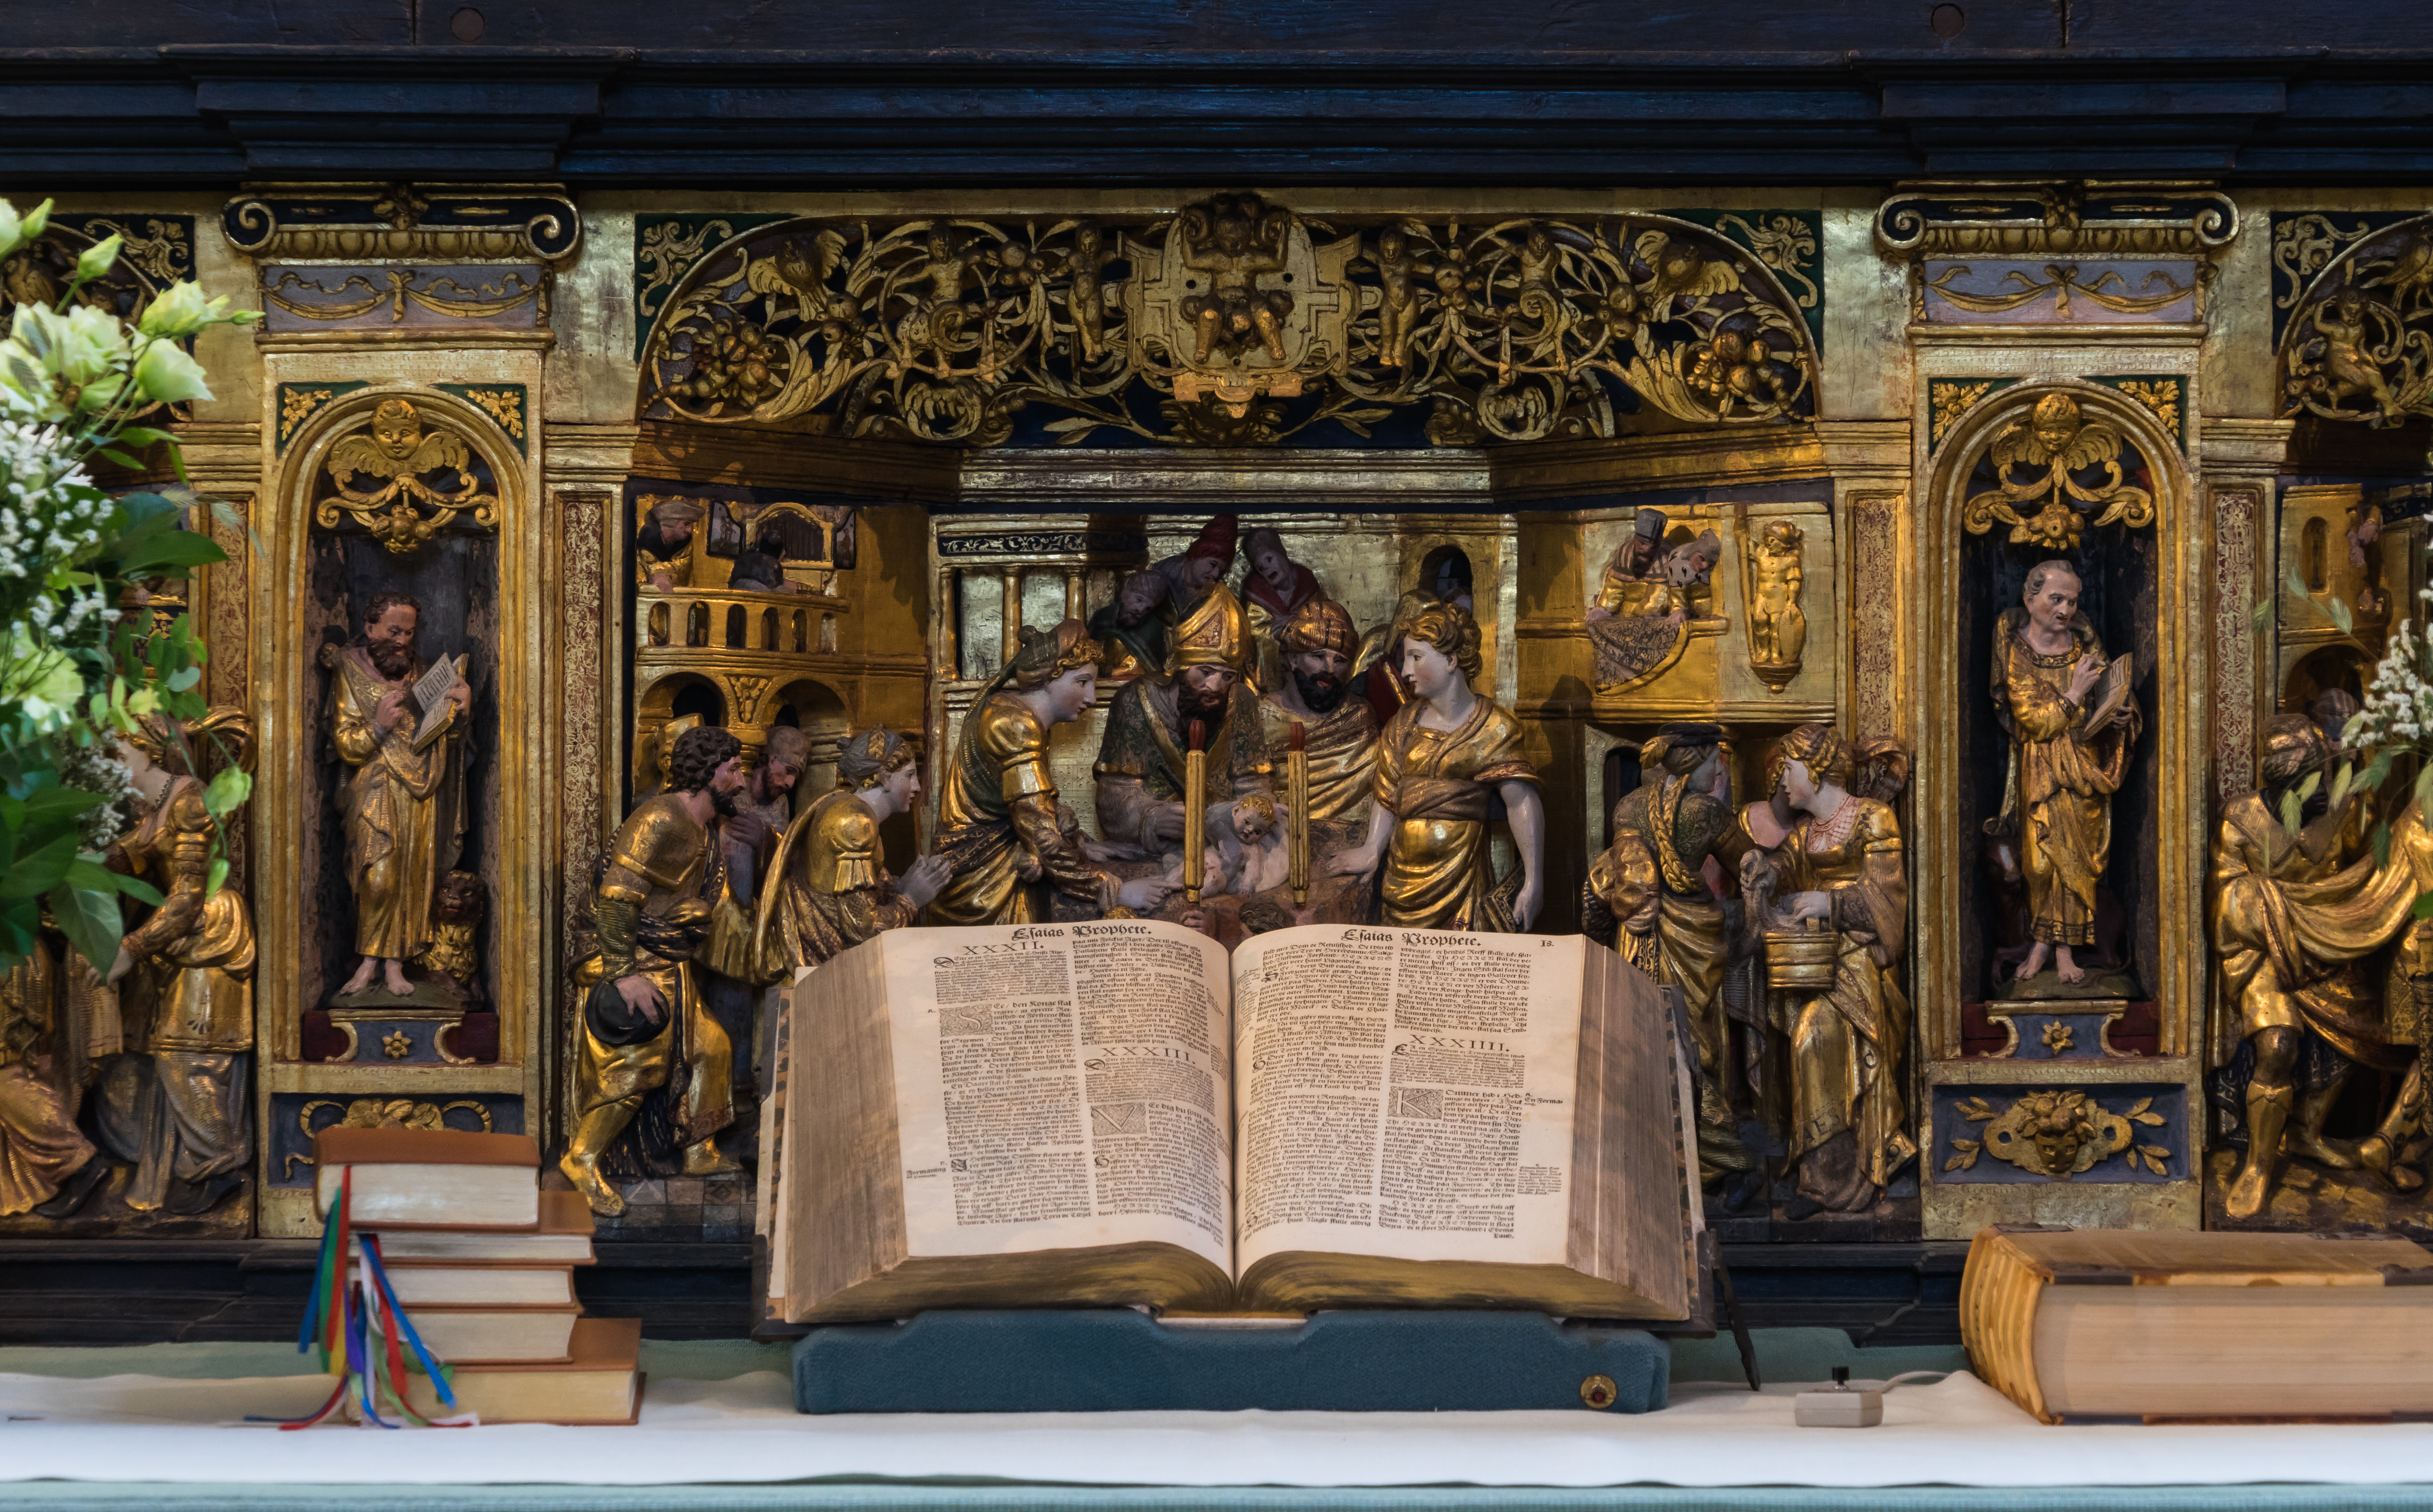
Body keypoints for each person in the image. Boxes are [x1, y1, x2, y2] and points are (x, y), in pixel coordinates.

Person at [2210, 714, 2424, 1219]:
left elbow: (2365, 872)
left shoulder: (2345, 808)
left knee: (2370, 1026)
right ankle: (2258, 1167)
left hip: (2332, 946)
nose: (2322, 792)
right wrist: (2287, 916)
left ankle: (2307, 1135)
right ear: (2282, 786)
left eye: (2325, 777)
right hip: (2267, 950)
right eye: (2310, 785)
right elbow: (2224, 900)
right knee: (2277, 1045)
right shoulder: (2240, 820)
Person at [562, 725, 753, 1215]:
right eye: (732, 770)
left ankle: (696, 1150)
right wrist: (624, 974)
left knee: (711, 1047)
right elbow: (617, 895)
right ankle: (581, 1158)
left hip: (665, 959)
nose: (742, 780)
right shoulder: (660, 819)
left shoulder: (704, 829)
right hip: (629, 958)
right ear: (706, 772)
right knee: (637, 1066)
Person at [88, 710, 258, 1217]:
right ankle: (166, 1166)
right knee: (133, 1062)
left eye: (118, 754)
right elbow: (120, 860)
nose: (113, 765)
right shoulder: (153, 808)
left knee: (189, 1058)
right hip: (171, 944)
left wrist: (132, 948)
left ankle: (217, 1167)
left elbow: (186, 899)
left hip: (206, 934)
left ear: (145, 752)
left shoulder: (189, 803)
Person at [1740, 723, 1914, 1216]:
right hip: (1818, 964)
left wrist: (1830, 904)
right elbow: (1786, 869)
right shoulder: (1805, 834)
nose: (1782, 784)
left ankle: (1848, 1174)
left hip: (1863, 967)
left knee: (1811, 1037)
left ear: (1814, 770)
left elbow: (1888, 903)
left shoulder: (1872, 819)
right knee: (1805, 1041)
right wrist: (1762, 869)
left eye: (1787, 770)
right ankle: (1820, 1180)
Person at [1581, 722, 1755, 1193]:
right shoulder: (1706, 813)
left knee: (1649, 1036)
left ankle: (1654, 1157)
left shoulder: (1627, 806)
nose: (1720, 769)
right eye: (1715, 760)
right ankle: (1725, 1164)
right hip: (1692, 938)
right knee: (1694, 1043)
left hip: (1636, 933)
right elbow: (1748, 864)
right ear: (1695, 760)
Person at [932, 620, 1178, 925]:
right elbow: (1039, 833)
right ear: (1050, 678)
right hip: (984, 881)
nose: (1090, 698)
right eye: (1082, 682)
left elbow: (1034, 808)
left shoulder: (1015, 715)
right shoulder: (1015, 727)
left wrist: (1080, 840)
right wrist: (1116, 889)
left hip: (997, 862)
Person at [1331, 600, 1544, 932]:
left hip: (1463, 881)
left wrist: (1533, 881)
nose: (1405, 672)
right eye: (1406, 659)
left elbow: (1520, 801)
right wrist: (1372, 847)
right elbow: (1387, 794)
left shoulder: (1494, 728)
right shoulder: (1402, 724)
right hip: (1402, 882)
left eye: (1416, 658)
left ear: (1451, 660)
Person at [1992, 560, 2139, 986]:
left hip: (2083, 766)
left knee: (2077, 861)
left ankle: (2064, 950)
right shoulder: (2016, 651)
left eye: (2071, 600)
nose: (2064, 609)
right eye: (2054, 599)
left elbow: (2111, 694)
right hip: (2041, 768)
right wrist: (2075, 692)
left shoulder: (2083, 648)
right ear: (2029, 597)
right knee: (2040, 861)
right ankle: (2041, 943)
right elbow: (2032, 719)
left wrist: (2120, 714)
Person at [329, 591, 470, 999]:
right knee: (378, 878)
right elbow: (344, 743)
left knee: (412, 876)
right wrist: (378, 726)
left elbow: (447, 734)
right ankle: (367, 961)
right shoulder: (349, 673)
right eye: (393, 631)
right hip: (374, 787)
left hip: (422, 787)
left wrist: (461, 712)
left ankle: (394, 964)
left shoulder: (424, 673)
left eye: (409, 633)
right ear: (370, 628)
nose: (402, 642)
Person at [1094, 584, 1273, 863]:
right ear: (1179, 666)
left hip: (1229, 847)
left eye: (1227, 676)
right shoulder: (1135, 701)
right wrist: (1150, 819)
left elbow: (1252, 783)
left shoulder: (1242, 701)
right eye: (1204, 672)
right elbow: (1114, 795)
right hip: (1155, 853)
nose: (1215, 686)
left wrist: (1258, 809)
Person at [760, 727, 952, 971]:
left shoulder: (842, 803)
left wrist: (902, 885)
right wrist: (912, 900)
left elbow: (857, 889)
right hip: (823, 967)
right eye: (910, 776)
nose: (916, 787)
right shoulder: (856, 823)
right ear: (885, 777)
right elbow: (863, 930)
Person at [635, 497, 705, 590]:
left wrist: (656, 572)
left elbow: (682, 570)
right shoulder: (644, 541)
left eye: (691, 525)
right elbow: (639, 570)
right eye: (686, 524)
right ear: (671, 522)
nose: (690, 531)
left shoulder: (686, 543)